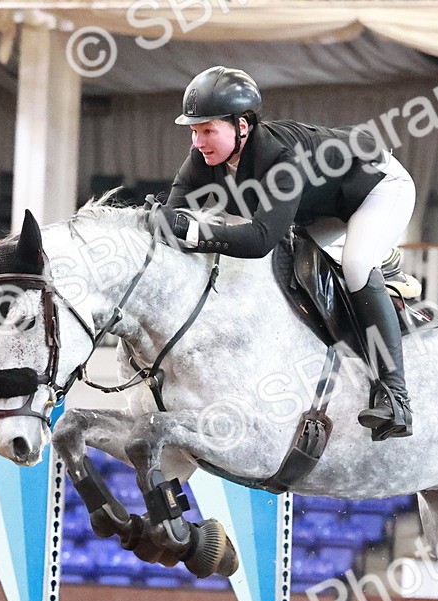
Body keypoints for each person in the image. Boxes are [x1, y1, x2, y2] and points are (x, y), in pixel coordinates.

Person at [161, 66, 416, 441]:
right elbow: (172, 217)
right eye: (194, 131)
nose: (198, 141)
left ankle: (396, 396)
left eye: (208, 130)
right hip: (321, 207)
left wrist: (194, 231)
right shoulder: (201, 159)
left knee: (357, 264)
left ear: (242, 125)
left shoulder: (280, 157)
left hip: (377, 189)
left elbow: (260, 239)